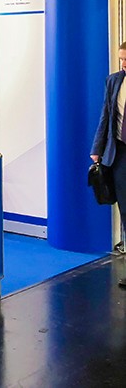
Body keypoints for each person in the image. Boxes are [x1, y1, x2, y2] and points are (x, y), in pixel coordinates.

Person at [90, 41, 126, 288]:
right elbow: (106, 116)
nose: (123, 64)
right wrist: (97, 149)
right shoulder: (114, 81)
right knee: (125, 209)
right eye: (121, 59)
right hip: (120, 152)